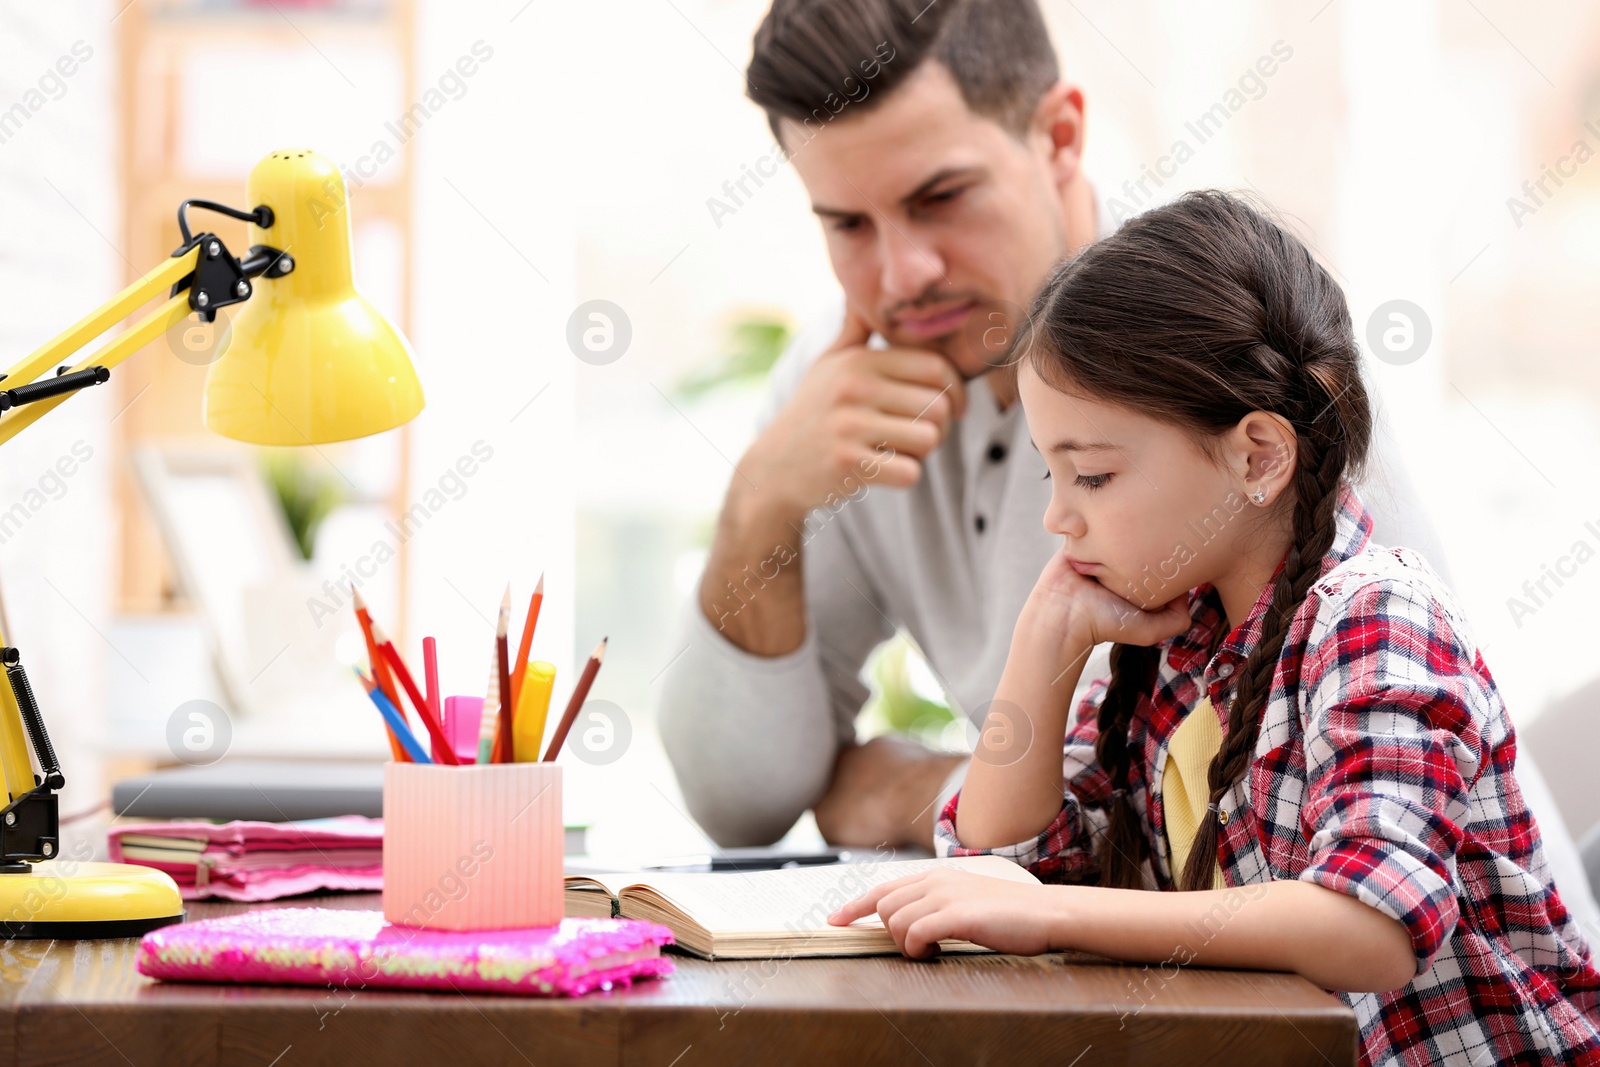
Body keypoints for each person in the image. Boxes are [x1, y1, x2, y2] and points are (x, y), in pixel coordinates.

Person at [826, 191, 1600, 1066]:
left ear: (1258, 456)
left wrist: (1050, 912)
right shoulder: (1177, 635)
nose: (1057, 518)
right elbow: (1004, 860)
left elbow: (1370, 924)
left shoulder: (1377, 617)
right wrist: (1041, 646)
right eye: (1052, 473)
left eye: (1093, 475)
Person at [657, 0, 1448, 854]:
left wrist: (917, 795)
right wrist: (759, 505)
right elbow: (739, 803)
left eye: (941, 197)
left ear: (1061, 136)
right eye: (848, 224)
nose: (901, 275)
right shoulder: (846, 391)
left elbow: (1227, 815)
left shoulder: (1220, 332)